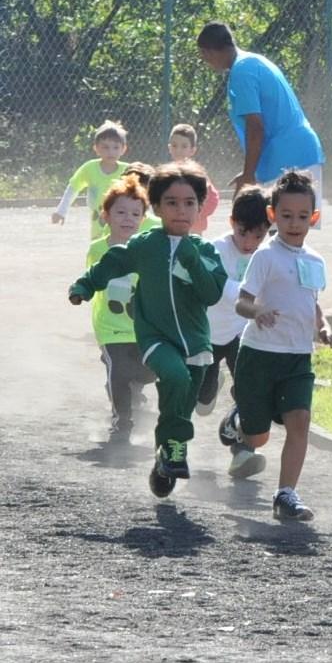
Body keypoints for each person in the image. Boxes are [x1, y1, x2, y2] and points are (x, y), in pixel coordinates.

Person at [69, 161, 228, 497]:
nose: (181, 210)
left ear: (200, 208)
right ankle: (173, 448)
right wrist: (85, 285)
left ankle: (165, 456)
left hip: (196, 343)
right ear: (156, 208)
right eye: (171, 203)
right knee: (175, 377)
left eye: (189, 203)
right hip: (155, 337)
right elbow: (113, 260)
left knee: (183, 399)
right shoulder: (145, 244)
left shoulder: (206, 251)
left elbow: (211, 293)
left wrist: (190, 258)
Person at [219, 171, 332, 520]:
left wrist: (324, 328)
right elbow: (242, 302)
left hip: (298, 358)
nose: (294, 223)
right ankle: (237, 421)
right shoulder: (266, 256)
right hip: (259, 356)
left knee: (300, 421)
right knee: (256, 439)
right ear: (273, 216)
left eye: (303, 216)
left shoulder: (315, 260)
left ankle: (286, 495)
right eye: (286, 216)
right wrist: (258, 312)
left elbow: (312, 303)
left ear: (313, 218)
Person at [196, 22, 326, 205]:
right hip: (298, 154)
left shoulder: (241, 72)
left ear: (208, 51)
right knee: (283, 230)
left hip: (289, 160)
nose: (205, 61)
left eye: (203, 55)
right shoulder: (251, 61)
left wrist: (248, 176)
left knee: (283, 227)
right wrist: (250, 172)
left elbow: (255, 127)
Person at [196, 186, 272, 479]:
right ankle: (211, 387)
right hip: (209, 334)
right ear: (232, 223)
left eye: (258, 236)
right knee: (202, 404)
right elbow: (220, 288)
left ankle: (242, 451)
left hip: (244, 333)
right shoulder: (215, 249)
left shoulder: (266, 255)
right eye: (243, 233)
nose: (250, 242)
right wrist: (250, 299)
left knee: (252, 390)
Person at [83, 176, 157, 431]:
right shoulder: (97, 249)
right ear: (106, 215)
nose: (128, 218)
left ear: (143, 218)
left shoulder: (147, 248)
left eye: (135, 213)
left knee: (149, 372)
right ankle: (122, 419)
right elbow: (93, 279)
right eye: (121, 212)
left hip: (143, 325)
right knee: (119, 368)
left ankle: (133, 387)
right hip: (110, 326)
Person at [52, 120, 130, 240]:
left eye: (116, 147)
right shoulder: (89, 168)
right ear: (96, 148)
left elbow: (142, 195)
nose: (111, 152)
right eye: (105, 147)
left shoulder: (129, 170)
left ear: (123, 149)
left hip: (124, 226)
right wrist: (61, 210)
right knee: (98, 253)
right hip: (98, 227)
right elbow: (73, 188)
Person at [166, 124, 220, 233]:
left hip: (193, 228)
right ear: (169, 148)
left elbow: (213, 198)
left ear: (192, 150)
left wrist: (196, 215)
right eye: (174, 145)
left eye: (184, 146)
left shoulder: (197, 174)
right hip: (172, 226)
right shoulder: (167, 173)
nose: (178, 150)